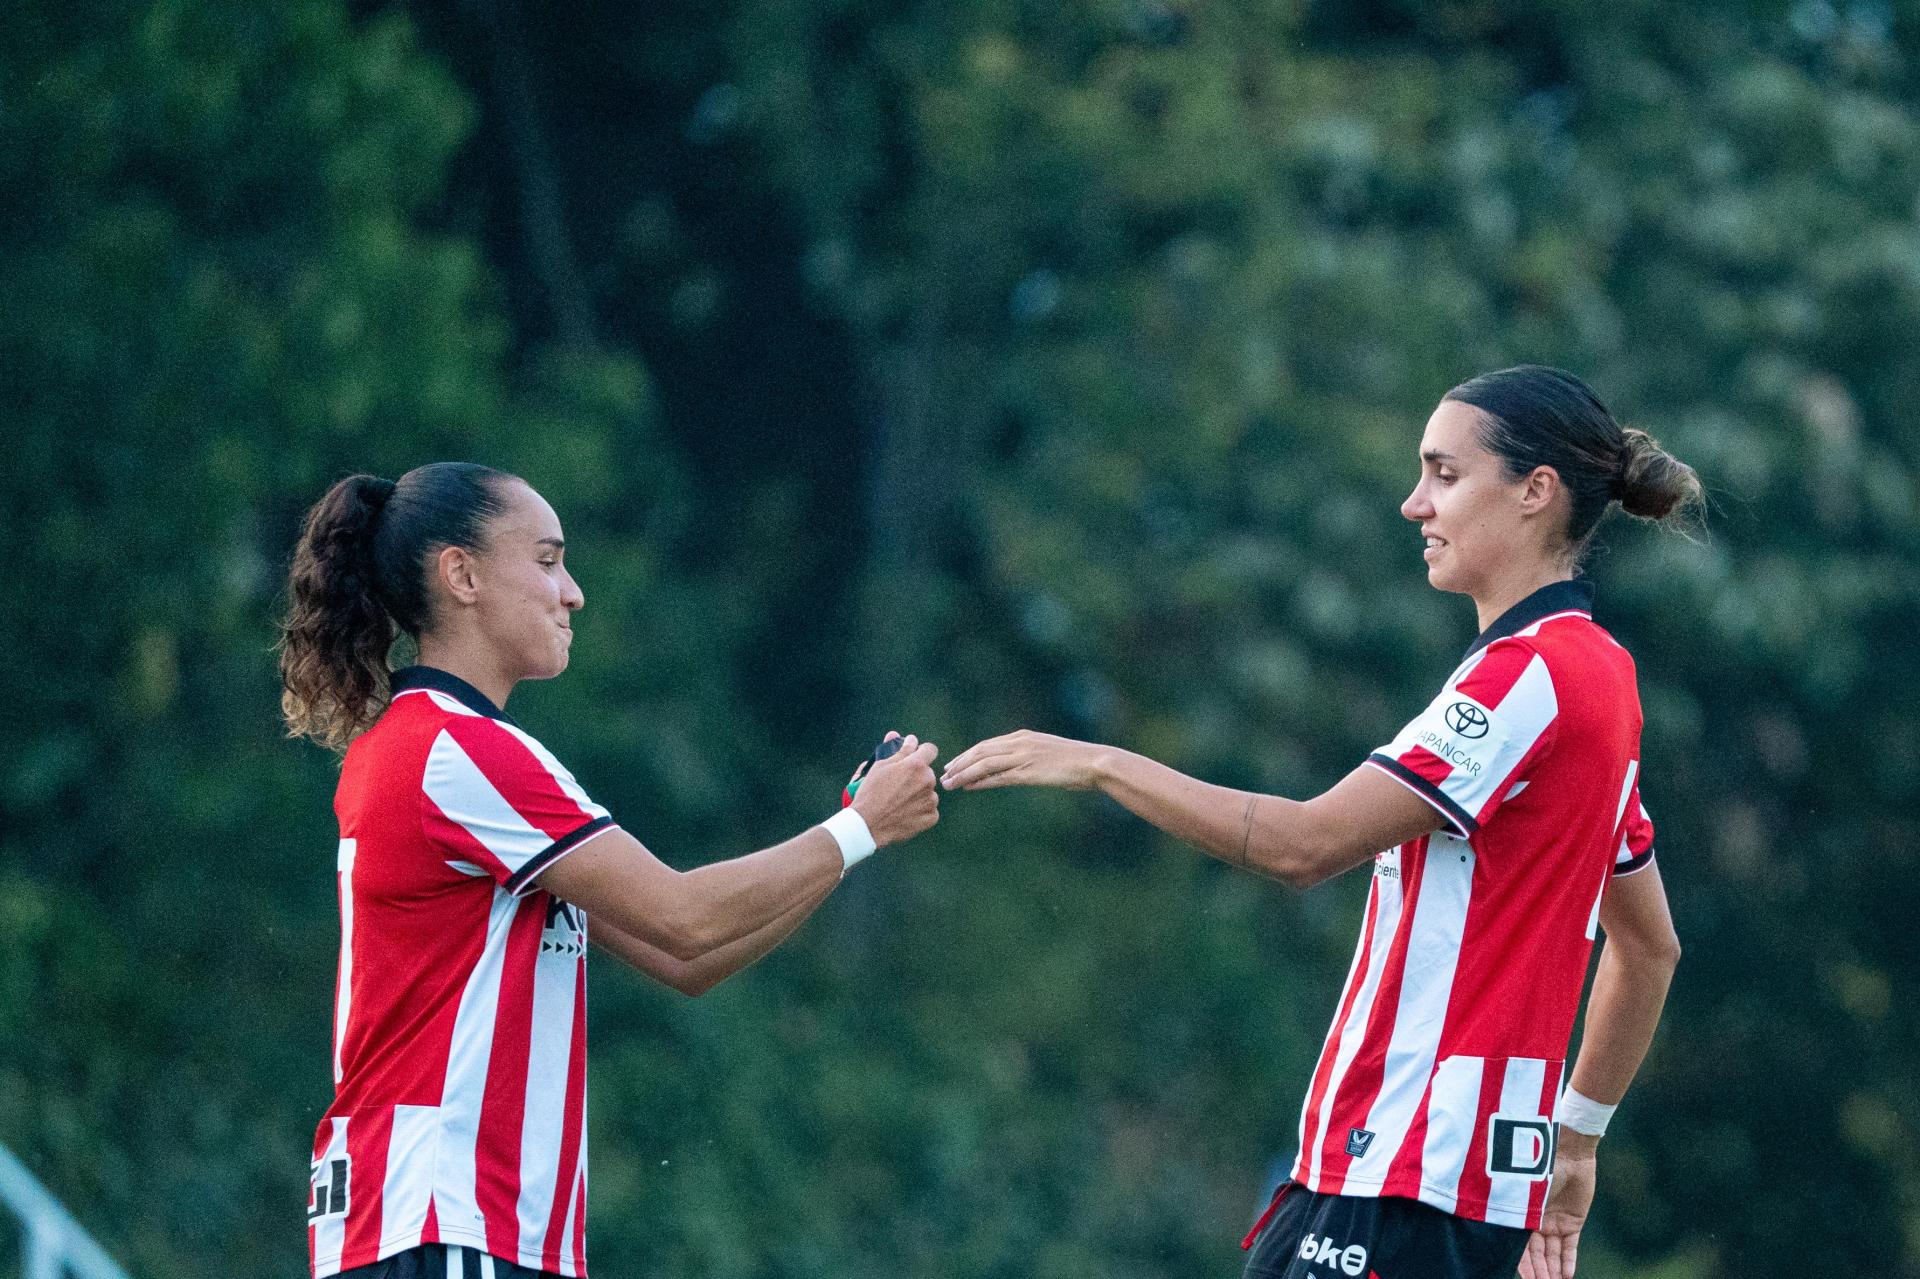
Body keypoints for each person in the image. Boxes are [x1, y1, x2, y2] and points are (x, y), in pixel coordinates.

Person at [941, 367, 1695, 1279]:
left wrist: (1102, 763)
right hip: (1451, 1197)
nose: (1415, 503)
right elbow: (1649, 947)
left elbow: (1303, 845)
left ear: (1536, 491)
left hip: (1400, 1181)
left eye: (1445, 475)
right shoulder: (1602, 680)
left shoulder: (1526, 679)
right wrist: (1575, 1142)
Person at [280, 462, 940, 1279]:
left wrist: (852, 836)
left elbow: (685, 959)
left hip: (456, 1228)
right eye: (549, 560)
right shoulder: (459, 750)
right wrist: (858, 826)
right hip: (445, 1221)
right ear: (462, 575)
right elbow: (684, 914)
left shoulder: (441, 746)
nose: (573, 592)